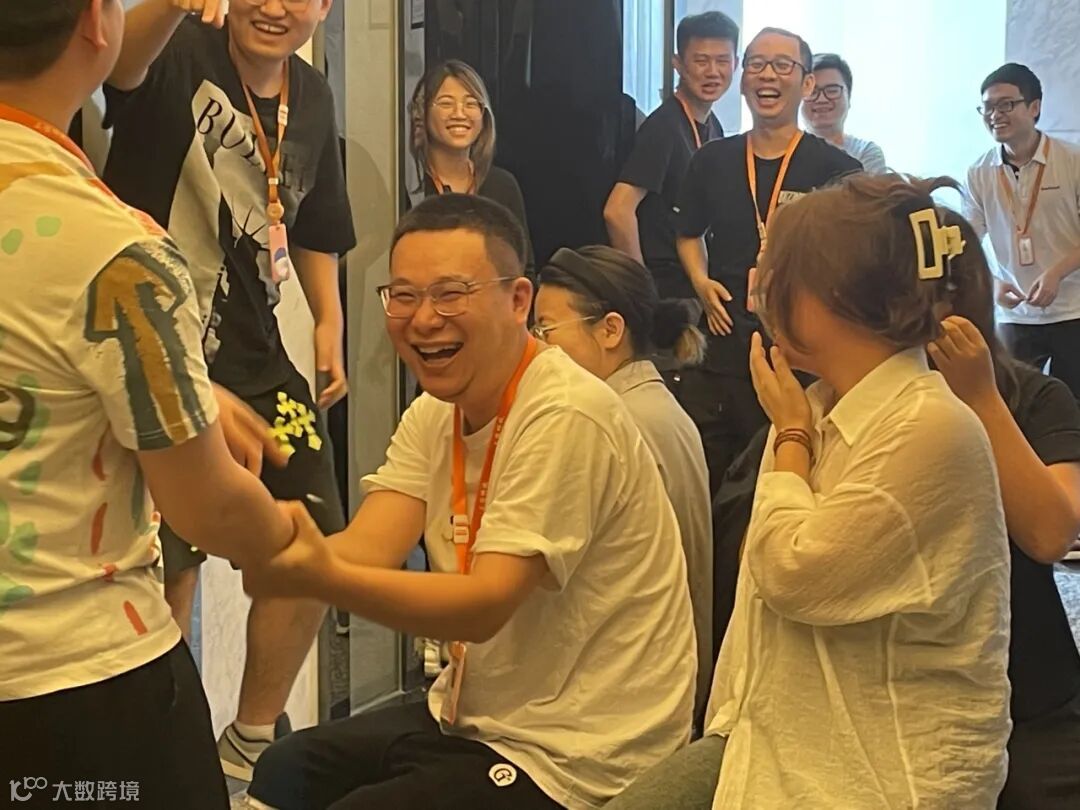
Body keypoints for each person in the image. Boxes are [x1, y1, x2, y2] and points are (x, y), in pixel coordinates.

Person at [233, 194, 697, 810]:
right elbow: (369, 546)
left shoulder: (565, 413)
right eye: (403, 295)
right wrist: (268, 537)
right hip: (472, 714)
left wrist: (315, 572)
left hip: (579, 752)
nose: (423, 319)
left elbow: (482, 607)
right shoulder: (436, 412)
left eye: (451, 294)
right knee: (285, 770)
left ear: (519, 300)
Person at [609, 173, 1012, 808]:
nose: (757, 290)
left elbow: (791, 572)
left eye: (778, 274)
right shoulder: (817, 402)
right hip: (776, 737)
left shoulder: (930, 426)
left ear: (838, 297)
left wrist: (791, 436)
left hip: (879, 772)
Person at [0, 2, 297, 807]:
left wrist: (186, 389)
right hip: (74, 684)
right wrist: (287, 538)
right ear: (96, 24)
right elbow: (207, 507)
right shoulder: (113, 249)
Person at [101, 0, 355, 779]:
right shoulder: (180, 48)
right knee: (166, 567)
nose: (272, 7)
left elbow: (316, 227)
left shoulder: (314, 98)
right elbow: (120, 66)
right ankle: (158, 761)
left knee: (314, 545)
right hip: (153, 351)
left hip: (257, 358)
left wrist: (328, 322)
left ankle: (247, 746)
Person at [674, 27, 862, 493]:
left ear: (807, 83)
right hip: (726, 343)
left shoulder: (837, 170)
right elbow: (687, 233)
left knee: (794, 472)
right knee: (719, 479)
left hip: (803, 348)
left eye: (782, 65)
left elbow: (853, 260)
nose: (767, 76)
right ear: (743, 79)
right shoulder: (712, 159)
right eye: (756, 64)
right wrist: (700, 281)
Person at [533, 245, 712, 724]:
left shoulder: (615, 423)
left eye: (546, 330)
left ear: (610, 330)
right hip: (661, 683)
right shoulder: (652, 405)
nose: (537, 349)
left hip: (629, 700)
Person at [928, 288, 1080, 805]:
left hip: (1027, 683)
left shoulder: (1033, 396)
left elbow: (1051, 534)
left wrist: (982, 401)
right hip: (916, 690)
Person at [964, 62, 1080, 401]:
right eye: (987, 107)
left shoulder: (1072, 161)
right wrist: (993, 283)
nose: (994, 115)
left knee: (1072, 404)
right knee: (1013, 403)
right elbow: (967, 242)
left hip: (1073, 308)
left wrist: (1056, 273)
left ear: (1034, 107)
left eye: (1006, 105)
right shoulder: (979, 171)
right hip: (1015, 312)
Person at [604, 11, 739, 299]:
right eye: (701, 60)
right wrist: (641, 290)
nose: (713, 71)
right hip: (667, 290)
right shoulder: (664, 127)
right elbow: (617, 211)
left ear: (736, 64)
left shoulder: (713, 126)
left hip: (695, 281)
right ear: (678, 64)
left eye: (722, 61)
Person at [409, 58, 534, 275]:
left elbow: (524, 267)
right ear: (422, 113)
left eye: (471, 103)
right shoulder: (410, 187)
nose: (459, 114)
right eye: (446, 103)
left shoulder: (501, 185)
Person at [802, 52, 886, 173]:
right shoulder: (784, 149)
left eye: (832, 90)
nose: (821, 99)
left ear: (849, 97)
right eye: (812, 92)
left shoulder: (865, 152)